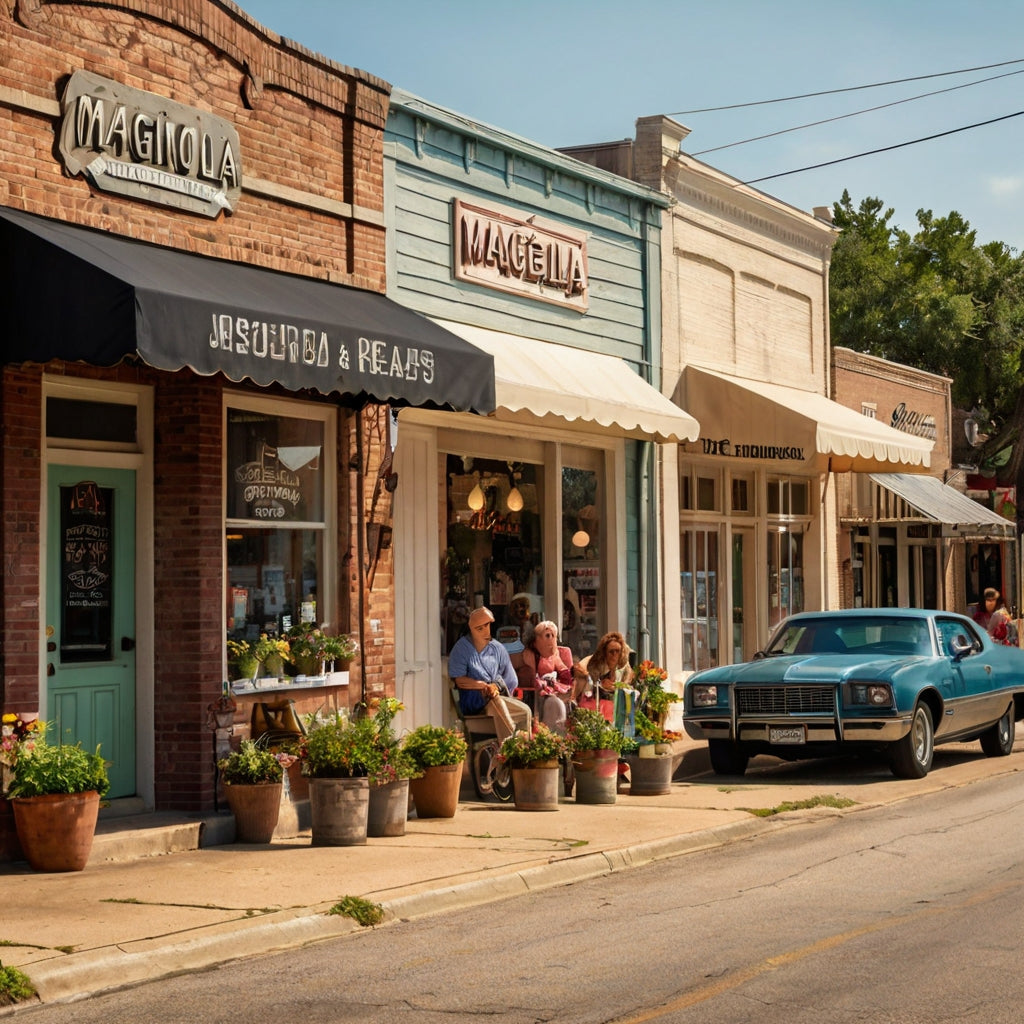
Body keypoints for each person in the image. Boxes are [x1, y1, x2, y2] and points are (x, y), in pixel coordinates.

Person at [449, 606, 531, 743]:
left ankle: (525, 750)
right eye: (480, 628)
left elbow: (511, 680)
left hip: (496, 695)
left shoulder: (498, 648)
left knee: (525, 711)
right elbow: (459, 681)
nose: (486, 631)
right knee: (498, 704)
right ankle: (510, 749)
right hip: (473, 700)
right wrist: (482, 686)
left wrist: (499, 688)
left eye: (487, 626)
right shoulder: (461, 648)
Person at [521, 620, 574, 734]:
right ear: (537, 639)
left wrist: (560, 664)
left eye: (553, 635)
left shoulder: (558, 654)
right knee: (554, 704)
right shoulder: (530, 654)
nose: (551, 639)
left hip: (557, 692)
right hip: (537, 695)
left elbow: (566, 676)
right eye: (547, 635)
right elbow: (531, 679)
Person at [573, 631, 633, 722]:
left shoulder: (625, 666)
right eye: (611, 652)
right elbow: (590, 688)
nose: (614, 655)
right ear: (605, 653)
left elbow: (628, 683)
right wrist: (601, 685)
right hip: (596, 703)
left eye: (617, 651)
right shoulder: (595, 664)